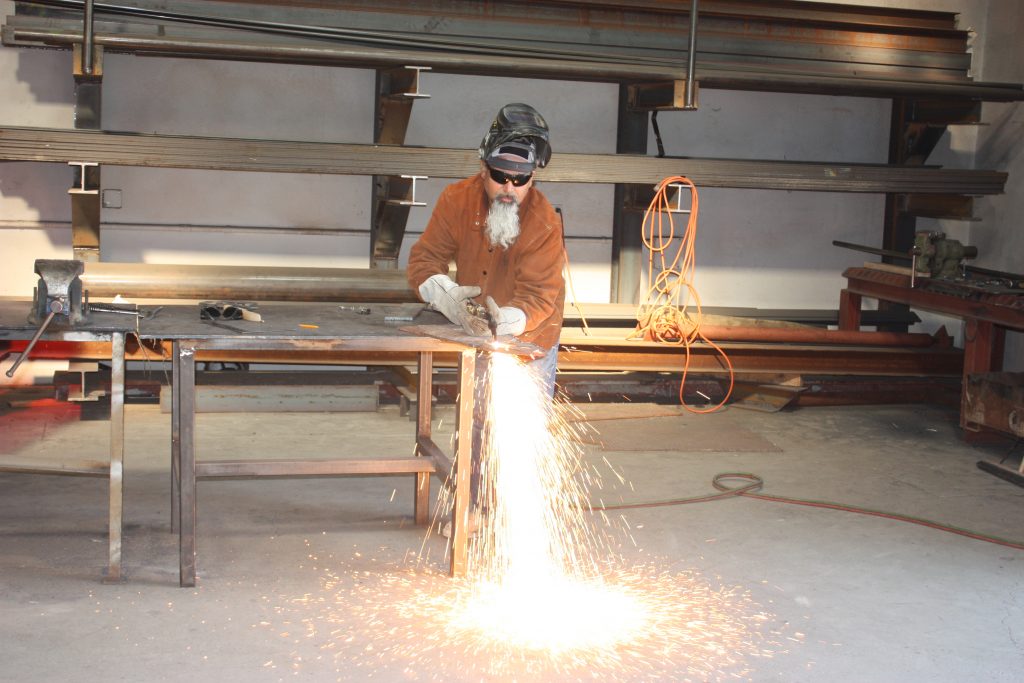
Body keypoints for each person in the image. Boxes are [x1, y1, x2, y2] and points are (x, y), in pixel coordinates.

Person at [406, 103, 566, 535]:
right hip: (477, 332)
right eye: (500, 176)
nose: (509, 188)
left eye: (521, 179)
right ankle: (471, 507)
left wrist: (512, 320)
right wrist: (443, 294)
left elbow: (540, 295)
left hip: (530, 336)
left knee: (521, 435)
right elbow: (424, 260)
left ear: (535, 176)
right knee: (476, 424)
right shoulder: (457, 200)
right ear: (483, 166)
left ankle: (518, 519)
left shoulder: (545, 222)